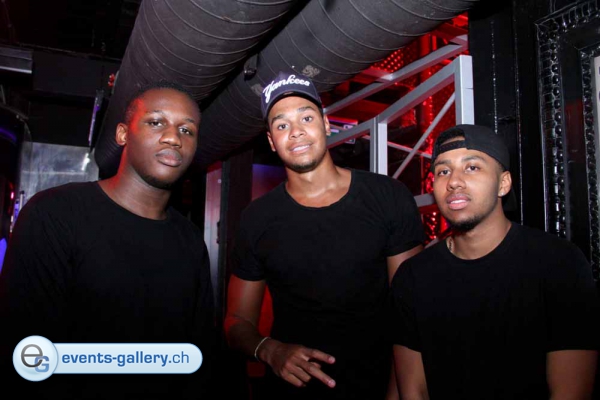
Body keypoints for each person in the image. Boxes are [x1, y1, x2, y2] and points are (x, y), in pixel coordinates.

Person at [0, 81, 216, 399]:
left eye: (187, 130)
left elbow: (199, 355)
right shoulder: (55, 214)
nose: (173, 137)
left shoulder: (190, 240)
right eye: (156, 122)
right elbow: (24, 350)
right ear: (123, 134)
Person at [224, 71, 425, 400]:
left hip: (374, 387)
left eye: (306, 117)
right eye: (282, 125)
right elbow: (236, 322)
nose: (296, 132)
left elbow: (411, 313)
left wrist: (400, 391)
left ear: (326, 124)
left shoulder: (387, 197)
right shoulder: (256, 219)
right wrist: (270, 350)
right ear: (272, 142)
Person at [390, 124, 600, 399]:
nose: (453, 181)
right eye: (443, 171)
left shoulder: (559, 263)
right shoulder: (413, 276)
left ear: (503, 183)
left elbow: (570, 392)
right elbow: (413, 391)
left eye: (472, 167)